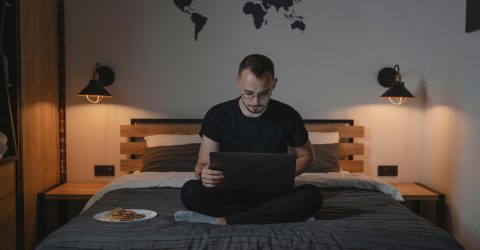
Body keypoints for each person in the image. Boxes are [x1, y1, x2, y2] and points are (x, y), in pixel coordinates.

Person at [175, 54, 322, 225]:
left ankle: (224, 221)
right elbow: (201, 164)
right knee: (190, 191)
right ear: (237, 82)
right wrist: (204, 174)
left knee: (312, 196)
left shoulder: (289, 115)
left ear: (274, 84)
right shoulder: (217, 115)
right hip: (228, 195)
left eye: (264, 94)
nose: (256, 101)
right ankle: (270, 215)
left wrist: (276, 176)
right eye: (248, 93)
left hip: (271, 194)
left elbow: (308, 158)